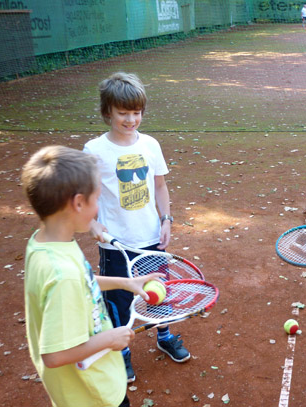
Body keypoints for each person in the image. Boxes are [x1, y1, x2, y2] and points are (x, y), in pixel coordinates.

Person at [22, 145, 164, 407]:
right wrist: (109, 339)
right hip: (92, 394)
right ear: (78, 203)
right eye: (97, 199)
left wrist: (125, 282)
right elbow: (53, 354)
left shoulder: (47, 244)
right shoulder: (61, 273)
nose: (98, 208)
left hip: (89, 383)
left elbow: (81, 280)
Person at [84, 72, 191, 383]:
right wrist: (92, 223)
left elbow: (159, 185)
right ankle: (123, 354)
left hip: (151, 238)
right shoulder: (94, 150)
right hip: (115, 244)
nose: (131, 120)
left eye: (136, 113)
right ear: (107, 112)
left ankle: (164, 335)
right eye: (123, 113)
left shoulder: (150, 144)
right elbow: (82, 193)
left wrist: (166, 219)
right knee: (118, 301)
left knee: (158, 292)